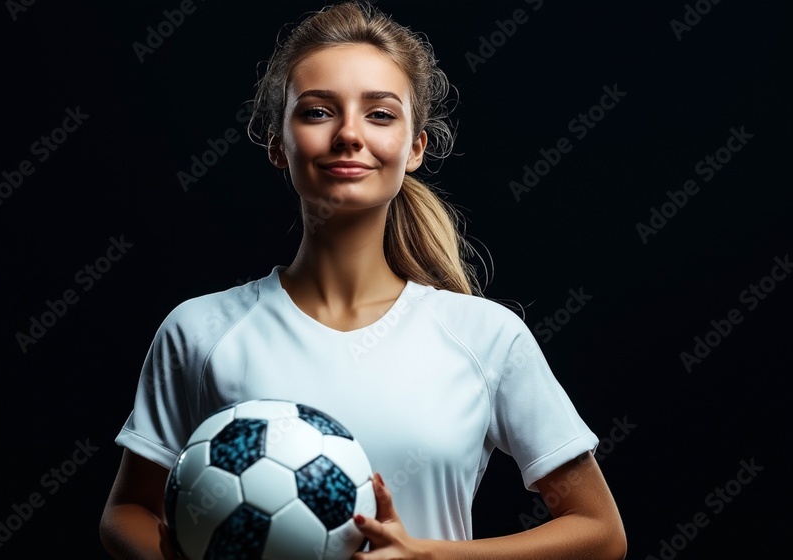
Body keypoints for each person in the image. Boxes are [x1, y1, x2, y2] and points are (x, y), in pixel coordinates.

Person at [100, 2, 627, 558]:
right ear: (278, 142)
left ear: (415, 146)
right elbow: (128, 511)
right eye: (318, 111)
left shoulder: (487, 338)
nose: (349, 134)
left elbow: (599, 532)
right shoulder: (200, 331)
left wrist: (426, 555)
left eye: (379, 114)